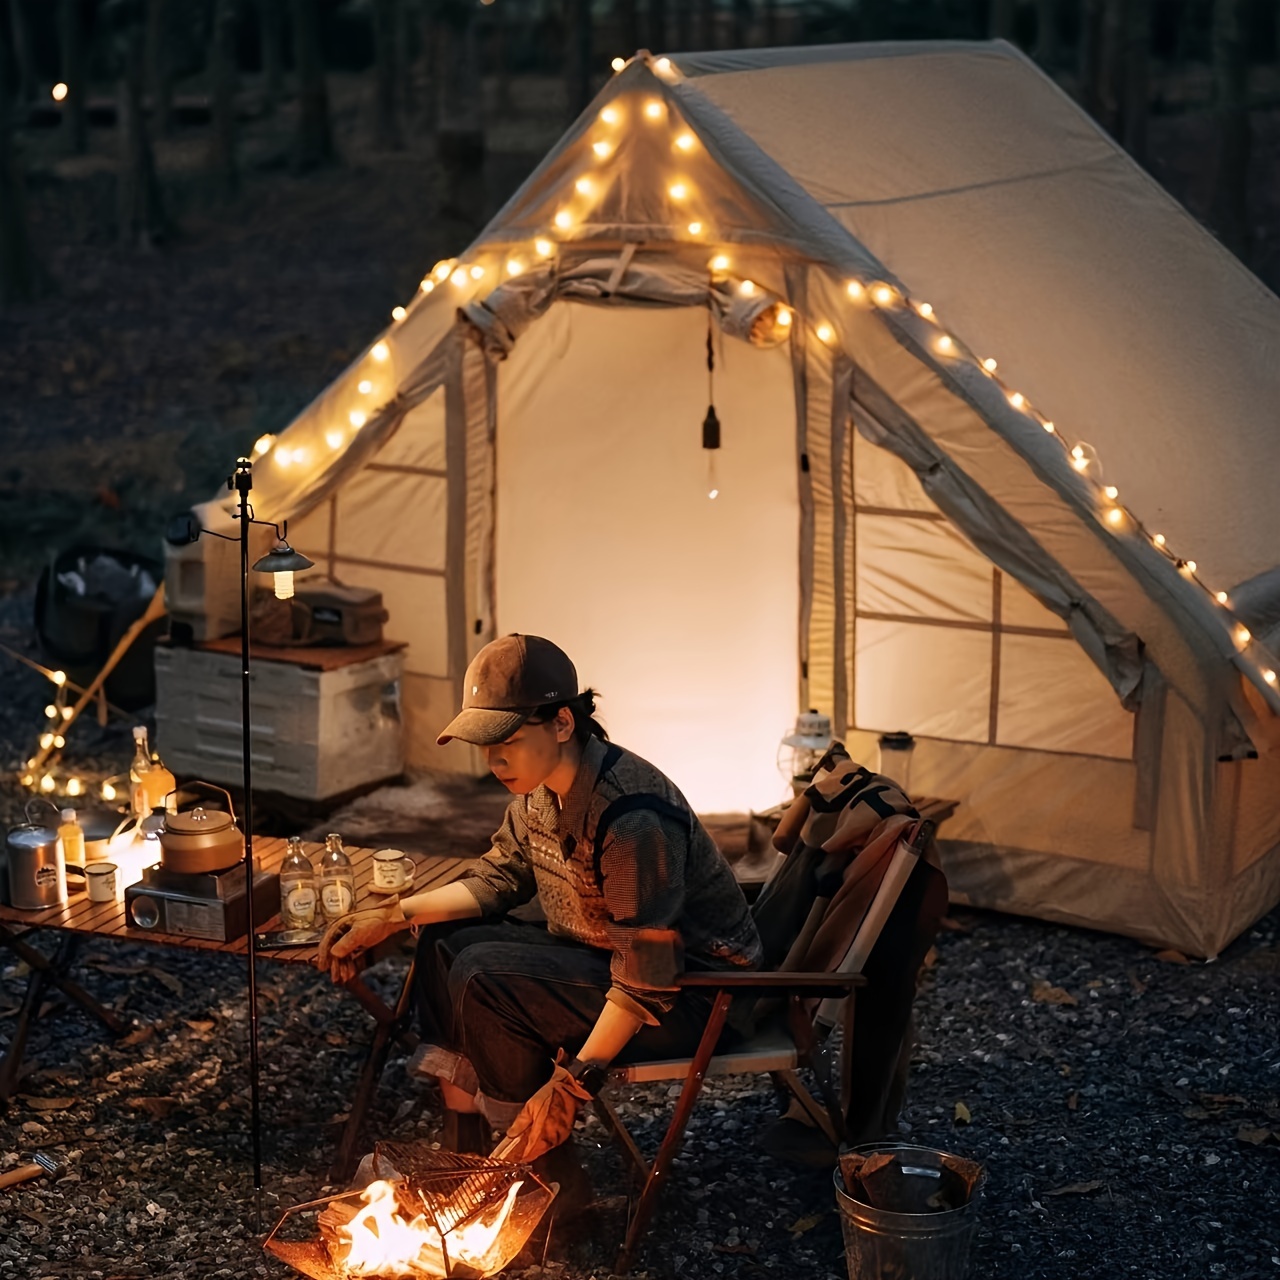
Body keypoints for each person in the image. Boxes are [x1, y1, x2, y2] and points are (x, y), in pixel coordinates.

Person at [317, 633, 761, 1185]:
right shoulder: (537, 790)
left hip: (696, 997)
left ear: (562, 724)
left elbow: (648, 974)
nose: (493, 758)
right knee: (443, 940)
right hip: (602, 960)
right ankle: (467, 1145)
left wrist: (575, 1081)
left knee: (487, 978)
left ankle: (540, 1175)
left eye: (507, 738)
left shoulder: (630, 818)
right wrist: (390, 915)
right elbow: (498, 877)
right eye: (484, 742)